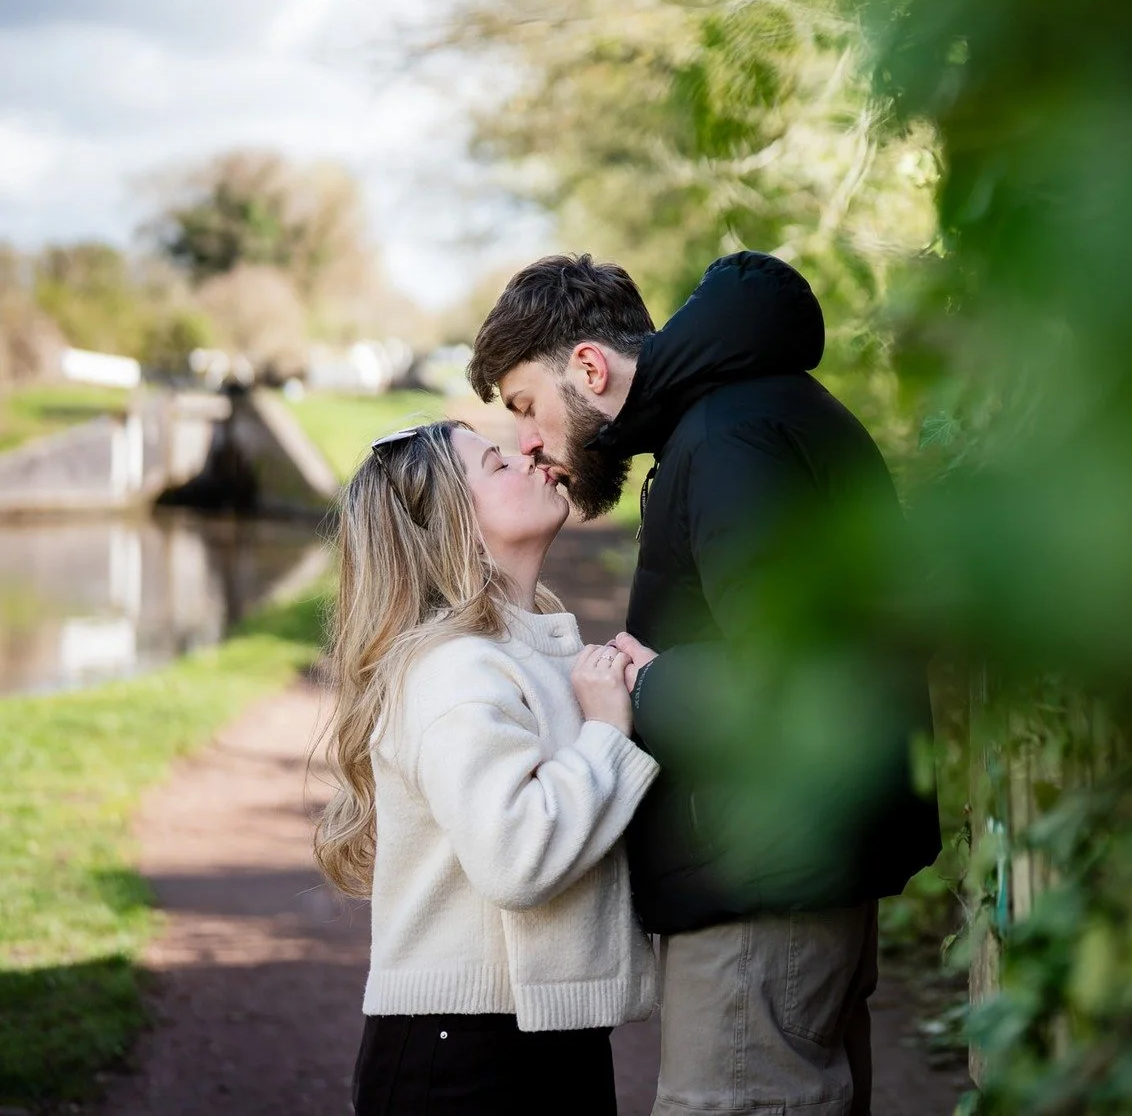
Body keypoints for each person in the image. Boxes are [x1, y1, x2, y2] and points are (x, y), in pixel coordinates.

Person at [467, 251, 940, 1116]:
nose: (526, 440)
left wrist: (644, 691)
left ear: (588, 367)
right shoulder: (738, 418)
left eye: (525, 406)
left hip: (764, 889)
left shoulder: (729, 436)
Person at [313, 420, 661, 1116]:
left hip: (540, 1039)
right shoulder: (454, 671)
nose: (530, 452)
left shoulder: (523, 653)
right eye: (497, 463)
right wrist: (606, 736)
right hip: (464, 1058)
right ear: (453, 526)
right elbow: (516, 858)